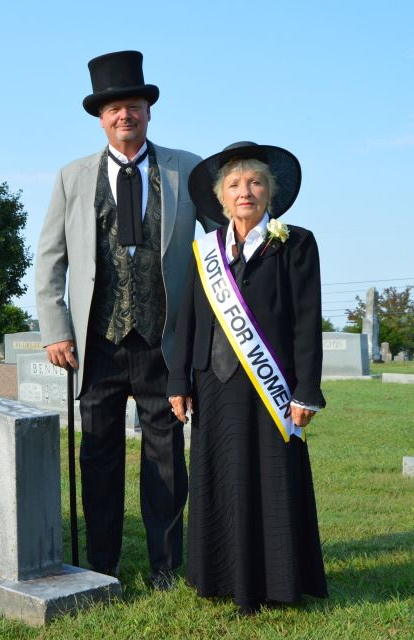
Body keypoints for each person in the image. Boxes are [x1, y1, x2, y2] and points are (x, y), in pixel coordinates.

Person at [35, 50, 216, 589]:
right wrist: (55, 328)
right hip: (97, 341)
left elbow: (220, 240)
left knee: (166, 456)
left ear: (148, 111)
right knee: (99, 455)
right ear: (100, 117)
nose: (124, 117)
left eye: (133, 106)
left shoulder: (188, 169)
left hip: (166, 341)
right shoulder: (72, 176)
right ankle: (102, 562)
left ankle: (165, 565)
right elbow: (51, 258)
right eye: (114, 110)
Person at [167, 141, 328, 612]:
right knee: (222, 478)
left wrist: (307, 390)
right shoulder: (205, 252)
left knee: (271, 479)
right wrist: (179, 381)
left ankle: (276, 582)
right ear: (220, 198)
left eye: (256, 182)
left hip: (272, 386)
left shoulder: (295, 243)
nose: (245, 192)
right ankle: (220, 578)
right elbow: (188, 320)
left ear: (270, 193)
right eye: (234, 184)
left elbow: (306, 320)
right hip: (214, 383)